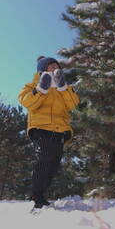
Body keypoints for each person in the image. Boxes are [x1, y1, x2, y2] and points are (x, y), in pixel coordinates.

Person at [18, 56, 80, 208]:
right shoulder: (32, 85)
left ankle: (40, 193)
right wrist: (40, 89)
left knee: (53, 165)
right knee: (43, 160)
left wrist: (63, 88)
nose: (54, 68)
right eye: (50, 66)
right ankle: (36, 195)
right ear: (42, 69)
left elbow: (73, 104)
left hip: (60, 130)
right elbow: (27, 102)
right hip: (42, 128)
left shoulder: (63, 86)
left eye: (56, 66)